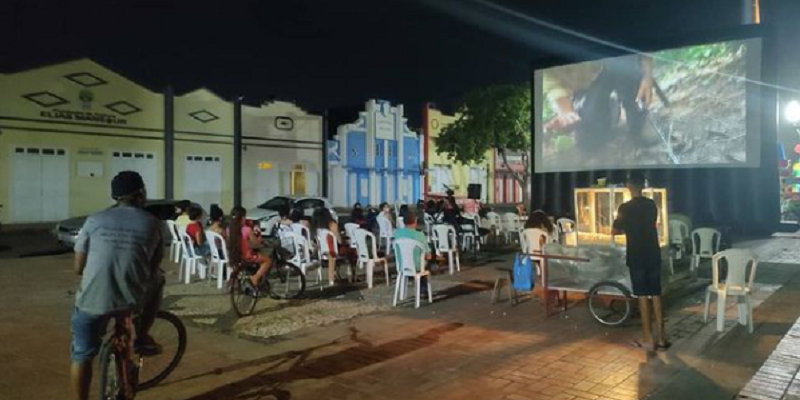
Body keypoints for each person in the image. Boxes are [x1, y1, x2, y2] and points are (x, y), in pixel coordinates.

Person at [70, 171, 164, 400]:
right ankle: (141, 334)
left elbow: (78, 268)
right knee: (159, 279)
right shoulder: (154, 224)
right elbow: (153, 268)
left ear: (115, 197)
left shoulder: (94, 220)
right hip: (130, 300)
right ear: (141, 193)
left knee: (81, 355)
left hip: (92, 301)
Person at [543, 54, 656, 151]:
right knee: (588, 144)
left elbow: (639, 50)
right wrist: (567, 113)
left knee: (623, 63)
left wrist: (647, 77)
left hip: (612, 66)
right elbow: (554, 87)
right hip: (585, 88)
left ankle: (638, 125)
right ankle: (610, 107)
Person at [612, 172, 668, 351]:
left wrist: (625, 230)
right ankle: (661, 338)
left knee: (643, 296)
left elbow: (615, 230)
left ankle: (647, 339)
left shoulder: (624, 208)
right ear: (642, 185)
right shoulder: (651, 205)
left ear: (629, 186)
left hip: (636, 255)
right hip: (653, 253)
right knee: (656, 294)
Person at [227, 207, 273, 292]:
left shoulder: (229, 229)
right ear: (243, 217)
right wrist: (261, 241)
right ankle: (255, 278)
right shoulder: (246, 229)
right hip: (248, 256)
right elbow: (256, 243)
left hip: (235, 256)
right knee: (268, 260)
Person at [312, 207, 345, 285]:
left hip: (320, 251)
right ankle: (332, 277)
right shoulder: (333, 224)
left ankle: (334, 274)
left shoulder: (316, 227)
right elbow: (339, 240)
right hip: (332, 251)